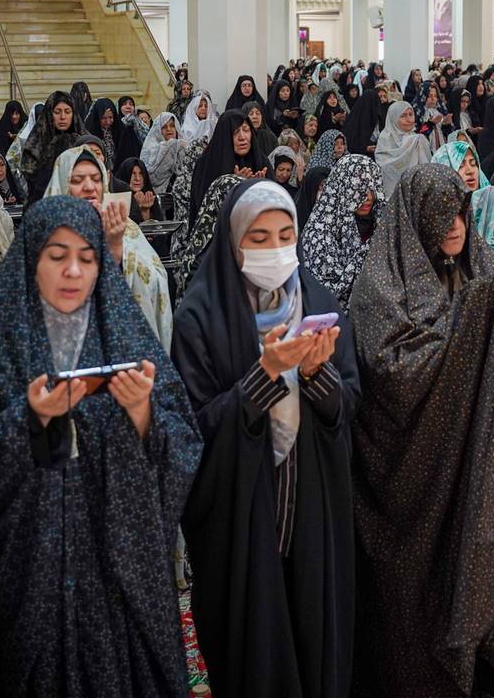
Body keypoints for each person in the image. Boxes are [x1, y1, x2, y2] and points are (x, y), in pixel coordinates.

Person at [0, 197, 201, 698]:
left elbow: (184, 441)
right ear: (30, 259)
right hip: (33, 566)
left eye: (87, 258)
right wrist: (29, 419)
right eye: (56, 255)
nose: (73, 271)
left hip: (119, 563)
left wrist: (142, 413)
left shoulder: (123, 329)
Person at [347, 164, 494, 698]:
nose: (455, 226)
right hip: (419, 467)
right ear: (416, 218)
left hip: (484, 450)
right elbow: (394, 368)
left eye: (462, 213)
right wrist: (471, 323)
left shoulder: (481, 265)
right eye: (442, 215)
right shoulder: (381, 284)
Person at [172, 181, 359, 698]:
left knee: (313, 631)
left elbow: (348, 404)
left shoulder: (317, 300)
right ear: (233, 242)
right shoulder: (199, 318)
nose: (274, 249)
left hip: (311, 508)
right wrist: (263, 376)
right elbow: (190, 431)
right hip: (241, 521)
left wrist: (317, 374)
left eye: (284, 235)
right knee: (253, 644)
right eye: (258, 238)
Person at [44, 145, 174, 349]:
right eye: (77, 180)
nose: (89, 187)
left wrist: (118, 252)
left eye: (96, 179)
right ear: (62, 184)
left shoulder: (125, 226)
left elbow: (156, 278)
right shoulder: (47, 232)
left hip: (126, 344)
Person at [430, 139, 494, 272]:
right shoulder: (438, 216)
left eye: (473, 164)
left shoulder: (493, 201)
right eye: (460, 165)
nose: (470, 171)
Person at [299, 155, 384, 307]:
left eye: (372, 188)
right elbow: (318, 291)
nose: (369, 197)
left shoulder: (384, 228)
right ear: (343, 186)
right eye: (359, 187)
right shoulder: (319, 234)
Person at [374, 101, 432, 199]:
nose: (409, 120)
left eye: (411, 114)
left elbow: (426, 168)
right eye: (403, 116)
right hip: (392, 195)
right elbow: (384, 167)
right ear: (393, 118)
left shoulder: (418, 139)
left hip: (416, 193)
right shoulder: (385, 138)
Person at [20, 91, 81, 183]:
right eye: (57, 112)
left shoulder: (83, 141)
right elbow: (29, 173)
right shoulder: (36, 142)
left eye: (67, 112)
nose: (63, 117)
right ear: (49, 114)